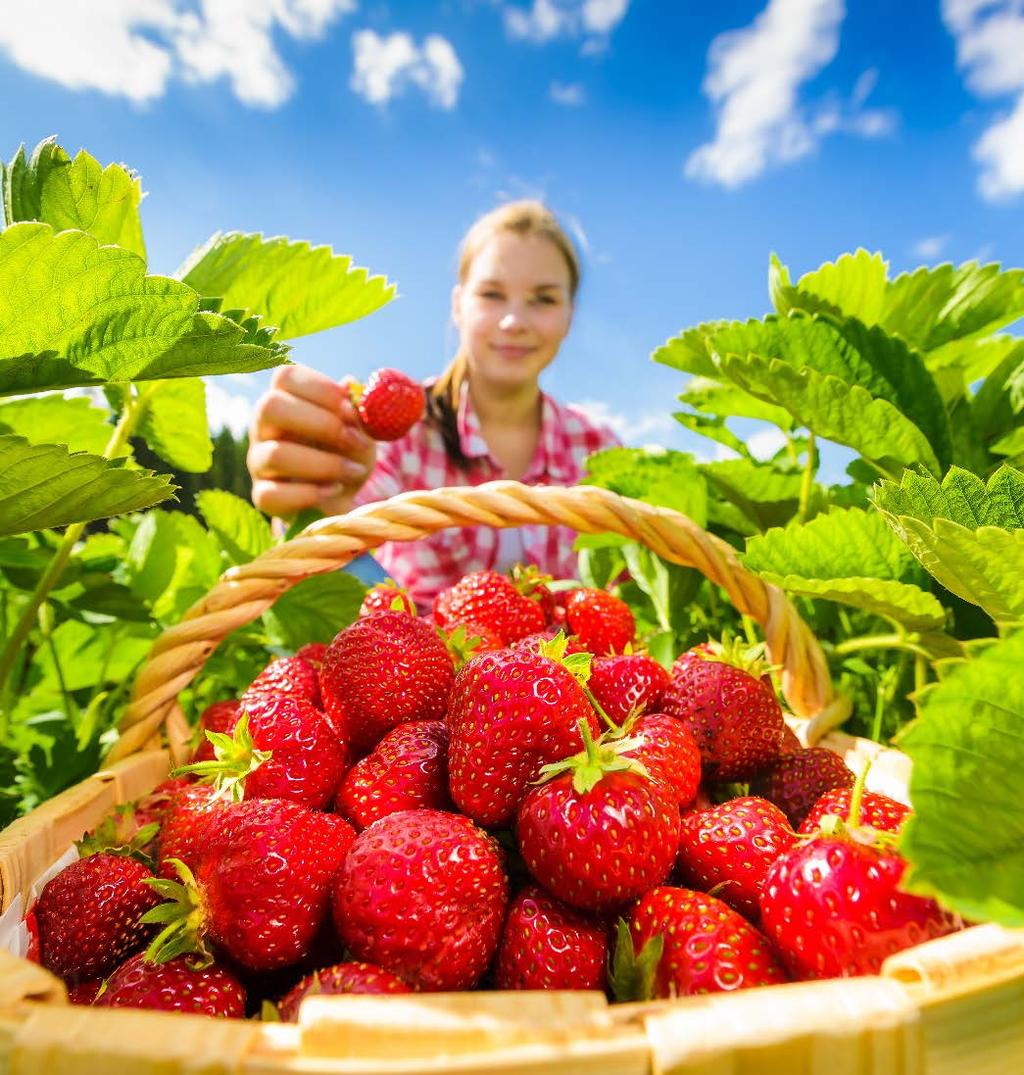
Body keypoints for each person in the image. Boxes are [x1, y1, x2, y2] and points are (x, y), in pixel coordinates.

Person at [247, 200, 621, 609]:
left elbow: (621, 587)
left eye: (544, 300)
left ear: (569, 316)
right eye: (492, 294)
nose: (514, 321)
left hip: (562, 669)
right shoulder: (402, 423)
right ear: (459, 305)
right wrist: (317, 490)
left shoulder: (597, 446)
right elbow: (335, 536)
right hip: (408, 662)